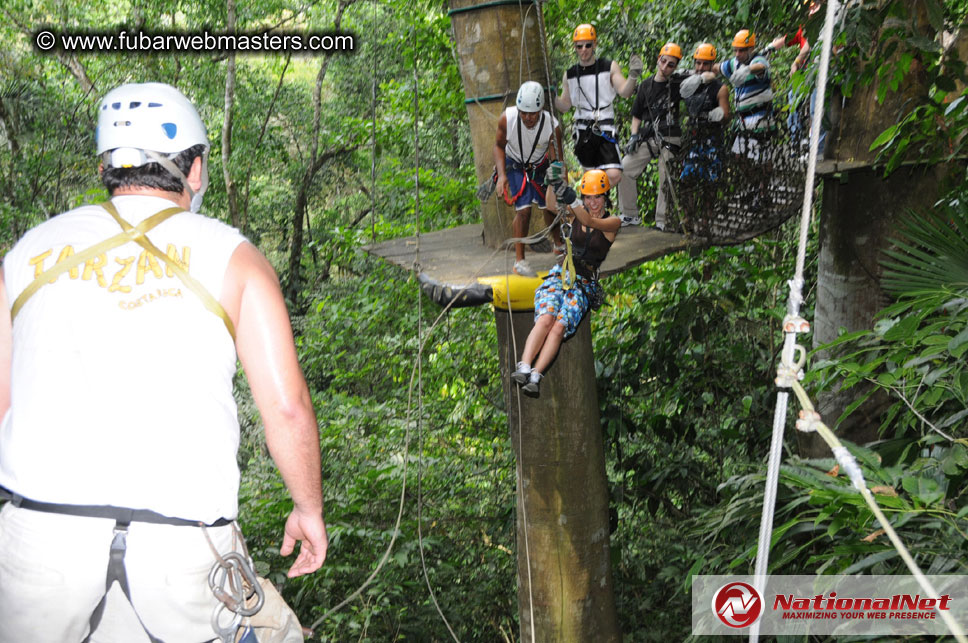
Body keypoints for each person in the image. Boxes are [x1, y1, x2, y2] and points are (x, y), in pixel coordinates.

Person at [0, 82, 327, 642]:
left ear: (107, 166)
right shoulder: (236, 258)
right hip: (182, 555)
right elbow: (288, 410)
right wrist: (308, 509)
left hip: (38, 543)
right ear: (194, 170)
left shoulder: (27, 251)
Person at [511, 169, 621, 397]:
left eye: (597, 197)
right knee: (546, 318)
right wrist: (552, 182)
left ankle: (536, 375)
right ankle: (524, 366)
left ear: (605, 197)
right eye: (588, 197)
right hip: (562, 275)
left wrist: (570, 196)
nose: (593, 202)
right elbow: (551, 205)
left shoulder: (612, 223)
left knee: (559, 326)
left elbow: (588, 220)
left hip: (584, 284)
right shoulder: (574, 215)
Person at [555, 23, 642, 189]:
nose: (584, 50)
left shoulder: (608, 67)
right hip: (583, 130)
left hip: (604, 127)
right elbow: (565, 105)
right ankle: (594, 204)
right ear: (575, 47)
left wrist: (633, 77)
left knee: (614, 174)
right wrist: (551, 96)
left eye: (588, 45)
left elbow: (625, 91)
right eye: (579, 46)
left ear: (595, 44)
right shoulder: (570, 74)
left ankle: (594, 196)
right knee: (590, 175)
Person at [494, 81, 565, 277]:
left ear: (541, 109)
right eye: (523, 112)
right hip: (514, 164)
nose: (527, 117)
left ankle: (558, 244)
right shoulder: (507, 119)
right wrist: (502, 176)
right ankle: (519, 261)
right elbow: (499, 146)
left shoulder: (552, 126)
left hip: (539, 166)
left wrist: (558, 184)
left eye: (532, 113)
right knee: (523, 210)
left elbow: (557, 157)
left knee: (549, 205)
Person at [617, 42, 684, 230]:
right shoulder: (646, 86)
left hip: (670, 136)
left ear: (675, 67)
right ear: (658, 60)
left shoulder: (678, 83)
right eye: (663, 61)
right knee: (625, 168)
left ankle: (663, 220)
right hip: (648, 136)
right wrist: (633, 136)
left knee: (666, 172)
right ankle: (629, 215)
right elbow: (637, 115)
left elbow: (703, 75)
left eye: (670, 64)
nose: (665, 67)